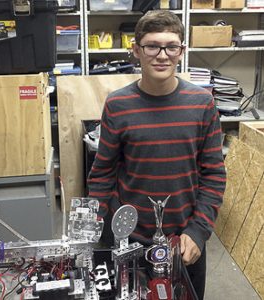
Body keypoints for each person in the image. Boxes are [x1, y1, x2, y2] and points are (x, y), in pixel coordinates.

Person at [87, 10, 226, 300]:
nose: (162, 55)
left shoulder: (202, 104)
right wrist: (99, 232)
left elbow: (213, 174)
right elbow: (102, 175)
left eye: (171, 46)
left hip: (185, 244)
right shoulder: (118, 105)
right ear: (136, 50)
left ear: (181, 52)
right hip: (129, 244)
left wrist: (198, 231)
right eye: (152, 46)